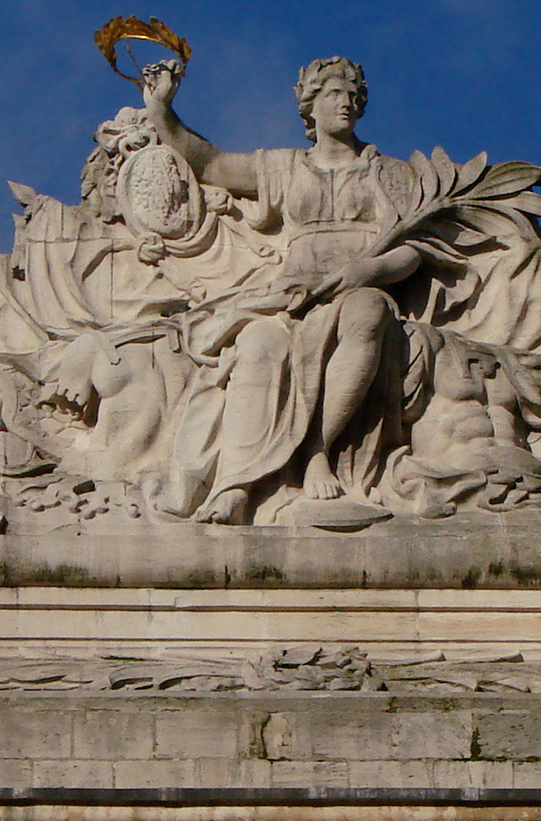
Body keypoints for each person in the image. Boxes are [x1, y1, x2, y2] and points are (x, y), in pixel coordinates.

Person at [139, 56, 422, 522]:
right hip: (291, 297)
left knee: (368, 314)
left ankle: (316, 448)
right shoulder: (284, 167)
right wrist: (161, 110)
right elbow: (209, 164)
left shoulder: (389, 173)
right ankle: (236, 485)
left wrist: (369, 271)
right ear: (310, 105)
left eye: (354, 95)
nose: (347, 103)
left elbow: (414, 251)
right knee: (258, 344)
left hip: (361, 287)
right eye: (334, 94)